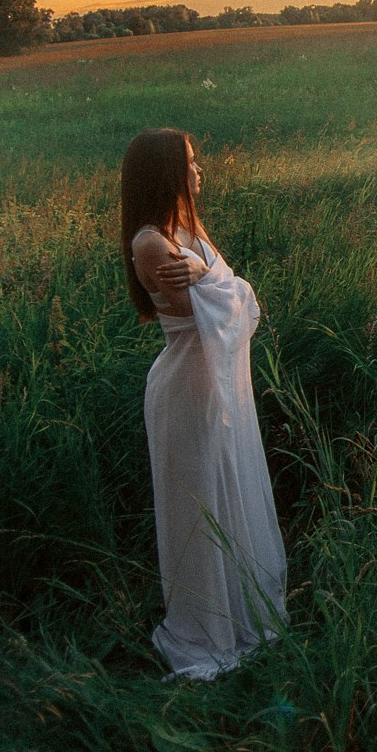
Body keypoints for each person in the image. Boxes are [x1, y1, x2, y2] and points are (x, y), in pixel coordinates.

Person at [118, 128, 286, 681]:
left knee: (229, 487)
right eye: (190, 162)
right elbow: (205, 308)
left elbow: (221, 292)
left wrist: (206, 273)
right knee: (199, 503)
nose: (198, 170)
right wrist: (212, 278)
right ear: (166, 171)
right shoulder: (150, 242)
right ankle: (206, 626)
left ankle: (240, 611)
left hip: (218, 382)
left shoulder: (186, 228)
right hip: (187, 390)